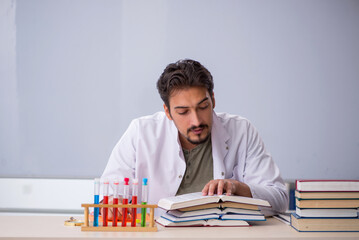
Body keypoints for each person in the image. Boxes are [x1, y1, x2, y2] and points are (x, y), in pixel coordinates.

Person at [101, 59, 288, 218]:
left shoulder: (242, 130)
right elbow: (109, 196)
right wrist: (112, 206)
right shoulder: (141, 132)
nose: (196, 121)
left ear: (213, 100)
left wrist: (237, 188)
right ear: (167, 111)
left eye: (203, 107)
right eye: (183, 112)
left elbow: (279, 198)